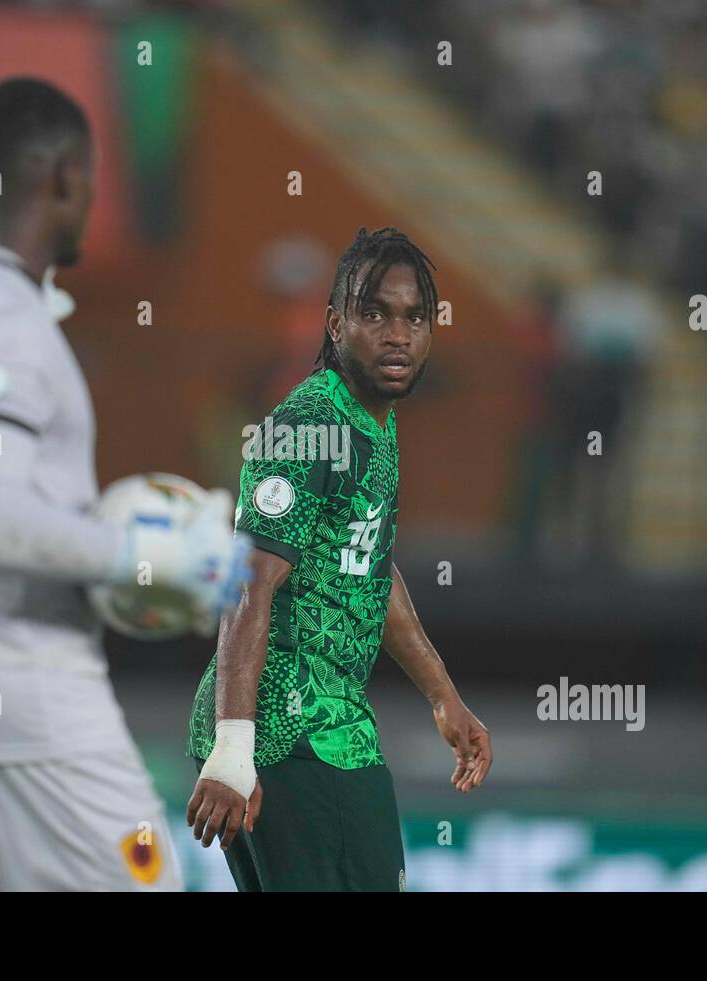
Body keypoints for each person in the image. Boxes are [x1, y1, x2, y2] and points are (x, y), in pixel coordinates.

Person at [0, 77, 250, 891]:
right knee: (151, 882)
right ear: (65, 180)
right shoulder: (3, 318)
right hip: (27, 690)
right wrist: (150, 553)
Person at [185, 226, 492, 891]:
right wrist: (234, 749)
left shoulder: (372, 420)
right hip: (291, 726)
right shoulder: (308, 428)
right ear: (334, 323)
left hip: (321, 723)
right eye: (375, 313)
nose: (397, 334)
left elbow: (370, 563)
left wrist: (443, 695)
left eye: (415, 317)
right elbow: (248, 586)